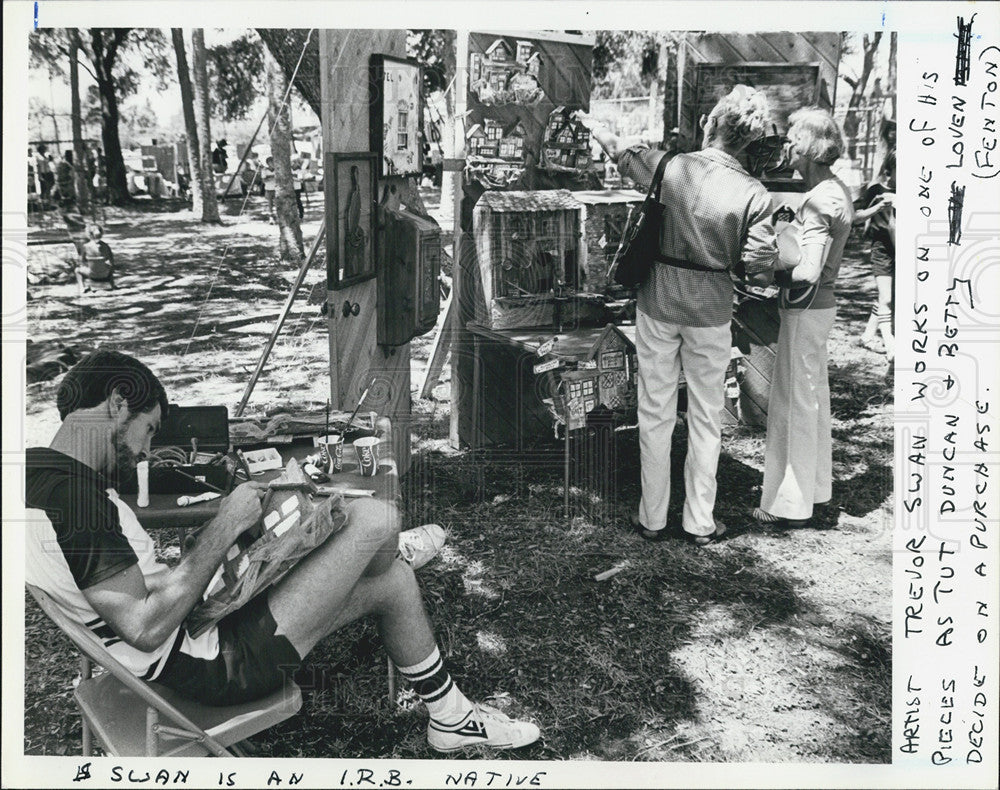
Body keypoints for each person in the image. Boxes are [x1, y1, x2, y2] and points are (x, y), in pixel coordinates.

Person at [25, 350, 539, 753]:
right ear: (118, 401)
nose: (143, 450)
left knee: (389, 577)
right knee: (371, 516)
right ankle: (379, 550)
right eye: (149, 429)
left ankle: (450, 717)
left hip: (187, 635)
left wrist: (242, 551)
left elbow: (138, 595)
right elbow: (144, 625)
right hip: (206, 666)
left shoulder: (36, 475)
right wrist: (225, 525)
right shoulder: (75, 498)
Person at [576, 85, 779, 546]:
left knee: (655, 410)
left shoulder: (671, 166)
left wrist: (597, 128)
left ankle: (652, 517)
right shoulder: (755, 194)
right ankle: (700, 522)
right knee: (707, 415)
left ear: (712, 123)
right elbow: (759, 263)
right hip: (711, 311)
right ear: (748, 140)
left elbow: (623, 154)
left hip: (658, 302)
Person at [752, 109, 855, 528]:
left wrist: (765, 273)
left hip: (805, 308)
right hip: (818, 310)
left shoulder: (818, 200)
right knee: (809, 401)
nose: (787, 146)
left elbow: (808, 270)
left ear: (811, 147)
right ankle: (812, 493)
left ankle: (788, 505)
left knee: (794, 404)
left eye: (793, 139)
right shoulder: (836, 190)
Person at [854, 151, 895, 360]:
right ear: (890, 171)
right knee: (887, 296)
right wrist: (879, 206)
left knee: (887, 296)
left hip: (902, 248)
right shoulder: (877, 191)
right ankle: (891, 346)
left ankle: (868, 336)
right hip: (883, 248)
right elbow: (856, 217)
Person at [75, 224, 116, 294]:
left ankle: (82, 287)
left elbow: (81, 261)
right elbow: (111, 261)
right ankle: (112, 284)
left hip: (92, 273)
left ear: (89, 234)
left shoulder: (85, 246)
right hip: (105, 273)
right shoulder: (106, 246)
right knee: (110, 266)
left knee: (77, 270)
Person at [262, 156, 277, 223]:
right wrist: (272, 178)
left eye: (273, 162)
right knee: (270, 204)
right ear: (268, 163)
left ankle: (278, 216)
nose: (273, 163)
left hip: (276, 188)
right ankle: (271, 217)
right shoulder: (264, 170)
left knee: (277, 203)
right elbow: (264, 180)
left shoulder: (277, 170)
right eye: (271, 162)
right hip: (268, 189)